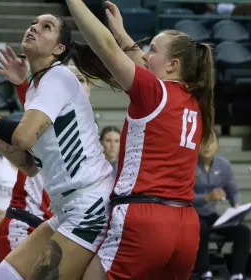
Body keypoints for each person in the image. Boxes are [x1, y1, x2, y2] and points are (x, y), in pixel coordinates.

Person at [0, 11, 122, 278]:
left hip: (89, 205)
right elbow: (27, 163)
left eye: (46, 27)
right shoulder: (38, 88)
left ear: (59, 48)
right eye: (34, 22)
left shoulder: (59, 77)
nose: (34, 27)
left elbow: (22, 136)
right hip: (66, 208)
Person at [64, 1, 215, 279]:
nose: (146, 54)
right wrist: (122, 33)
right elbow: (139, 61)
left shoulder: (154, 93)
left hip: (145, 219)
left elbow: (106, 48)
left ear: (172, 65)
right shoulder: (196, 102)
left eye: (153, 50)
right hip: (185, 226)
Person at [0, 59, 94, 262]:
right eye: (67, 81)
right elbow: (37, 111)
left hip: (59, 231)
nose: (74, 85)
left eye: (80, 79)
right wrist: (23, 85)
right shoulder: (46, 121)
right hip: (28, 226)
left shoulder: (88, 130)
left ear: (89, 90)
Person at [194, 131, 250, 280]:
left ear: (217, 145)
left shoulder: (223, 165)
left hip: (212, 216)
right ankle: (204, 271)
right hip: (192, 215)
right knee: (201, 228)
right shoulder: (188, 165)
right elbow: (184, 196)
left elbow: (232, 190)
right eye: (202, 141)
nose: (206, 145)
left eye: (211, 141)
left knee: (243, 231)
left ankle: (237, 273)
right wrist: (207, 197)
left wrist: (237, 205)